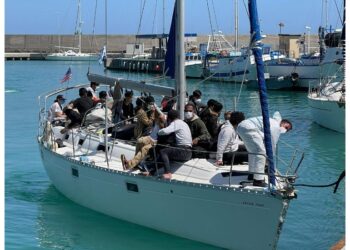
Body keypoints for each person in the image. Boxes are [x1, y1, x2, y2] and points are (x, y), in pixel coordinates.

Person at [236, 112, 292, 187]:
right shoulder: (275, 126)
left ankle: (252, 174)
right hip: (249, 128)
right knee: (261, 153)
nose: (285, 130)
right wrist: (270, 163)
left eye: (287, 130)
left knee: (253, 152)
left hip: (242, 127)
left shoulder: (272, 122)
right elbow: (272, 145)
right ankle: (258, 180)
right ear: (283, 122)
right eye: (286, 127)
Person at [157, 110, 192, 179]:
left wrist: (158, 132)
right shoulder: (183, 123)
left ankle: (168, 173)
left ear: (169, 118)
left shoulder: (176, 123)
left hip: (184, 151)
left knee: (163, 151)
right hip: (189, 151)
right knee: (169, 150)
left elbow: (165, 131)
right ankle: (152, 170)